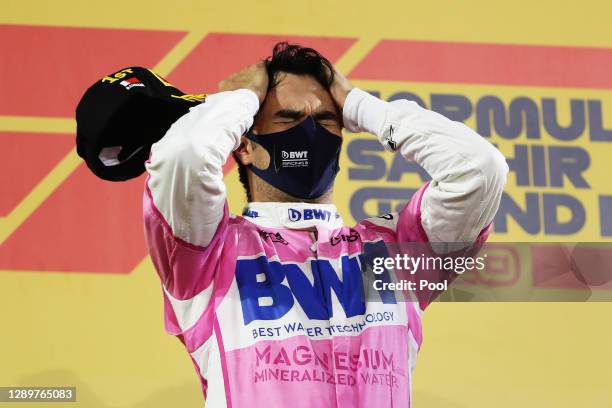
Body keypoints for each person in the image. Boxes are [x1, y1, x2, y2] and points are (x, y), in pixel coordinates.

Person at [142, 42, 508, 407]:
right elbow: (182, 157)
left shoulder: (395, 253)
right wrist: (240, 100)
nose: (310, 133)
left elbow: (480, 169)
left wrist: (360, 104)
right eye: (288, 118)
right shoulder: (208, 254)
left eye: (325, 120)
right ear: (245, 146)